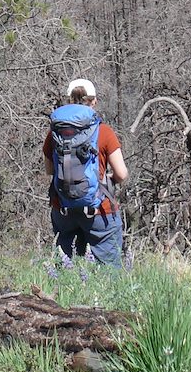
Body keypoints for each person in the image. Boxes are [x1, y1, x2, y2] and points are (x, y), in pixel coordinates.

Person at [42, 76, 128, 266]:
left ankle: (61, 296)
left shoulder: (55, 133)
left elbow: (49, 170)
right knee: (108, 272)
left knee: (64, 270)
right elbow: (121, 174)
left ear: (69, 100)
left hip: (63, 209)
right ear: (94, 101)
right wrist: (107, 180)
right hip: (99, 210)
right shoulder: (104, 132)